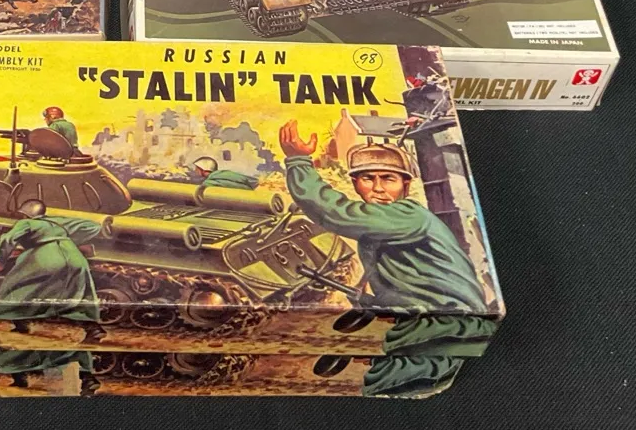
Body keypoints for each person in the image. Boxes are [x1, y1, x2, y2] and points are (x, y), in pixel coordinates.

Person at [278, 120, 498, 397]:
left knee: (377, 381)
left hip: (450, 326)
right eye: (368, 179)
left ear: (406, 184)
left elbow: (336, 213)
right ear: (355, 184)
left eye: (388, 179)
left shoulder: (408, 216)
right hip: (426, 323)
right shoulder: (382, 225)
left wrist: (298, 162)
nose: (378, 188)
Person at [0, 199, 103, 344]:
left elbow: (8, 239)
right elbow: (94, 226)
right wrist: (63, 239)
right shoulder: (57, 222)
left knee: (16, 286)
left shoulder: (26, 223)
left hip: (47, 257)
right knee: (78, 293)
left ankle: (21, 323)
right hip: (75, 257)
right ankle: (93, 329)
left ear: (25, 214)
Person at [190, 156, 259, 191]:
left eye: (197, 168)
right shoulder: (226, 173)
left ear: (204, 169)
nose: (195, 170)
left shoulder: (208, 183)